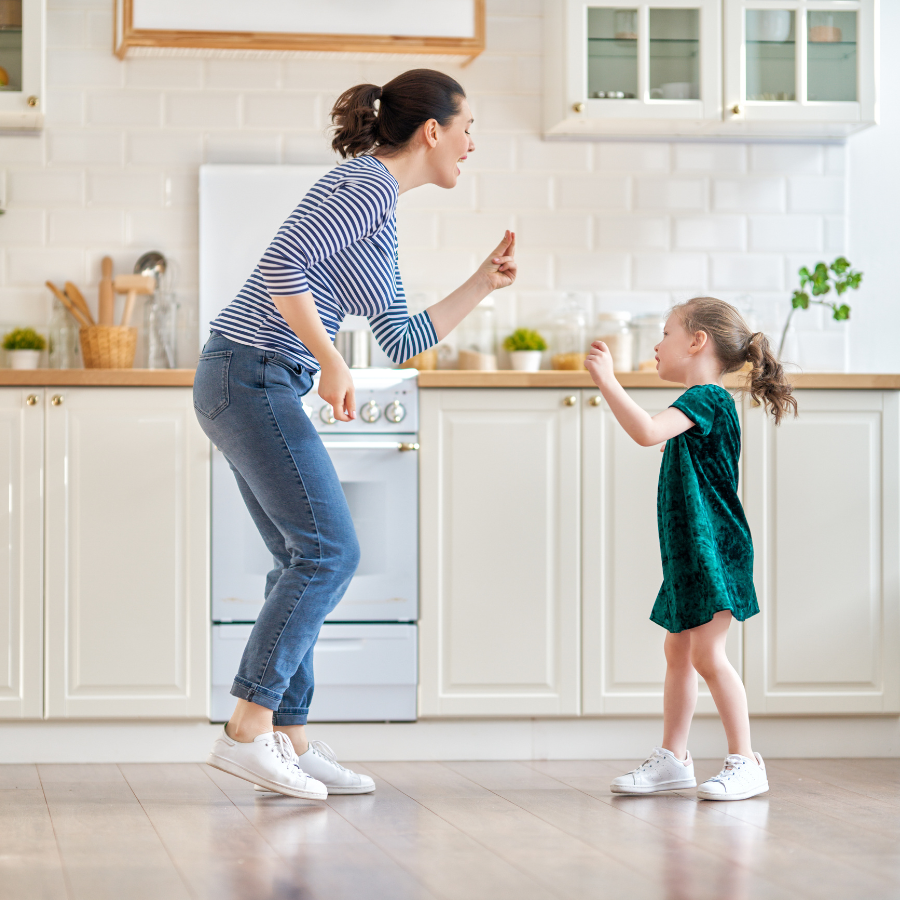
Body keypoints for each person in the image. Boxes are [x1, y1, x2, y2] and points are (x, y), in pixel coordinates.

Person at [194, 69, 516, 799]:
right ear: (433, 131)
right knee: (330, 550)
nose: (472, 145)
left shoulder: (380, 208)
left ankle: (290, 739)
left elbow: (401, 338)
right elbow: (282, 266)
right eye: (467, 129)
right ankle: (247, 730)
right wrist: (333, 358)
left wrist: (480, 283)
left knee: (298, 557)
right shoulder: (367, 184)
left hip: (252, 378)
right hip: (250, 374)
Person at [585, 297, 796, 801]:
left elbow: (645, 431)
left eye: (665, 334)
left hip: (712, 552)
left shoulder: (707, 397)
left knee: (706, 654)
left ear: (697, 341)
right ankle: (674, 759)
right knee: (678, 650)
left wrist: (608, 381)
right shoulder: (700, 409)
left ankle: (746, 760)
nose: (656, 345)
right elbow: (671, 443)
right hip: (687, 554)